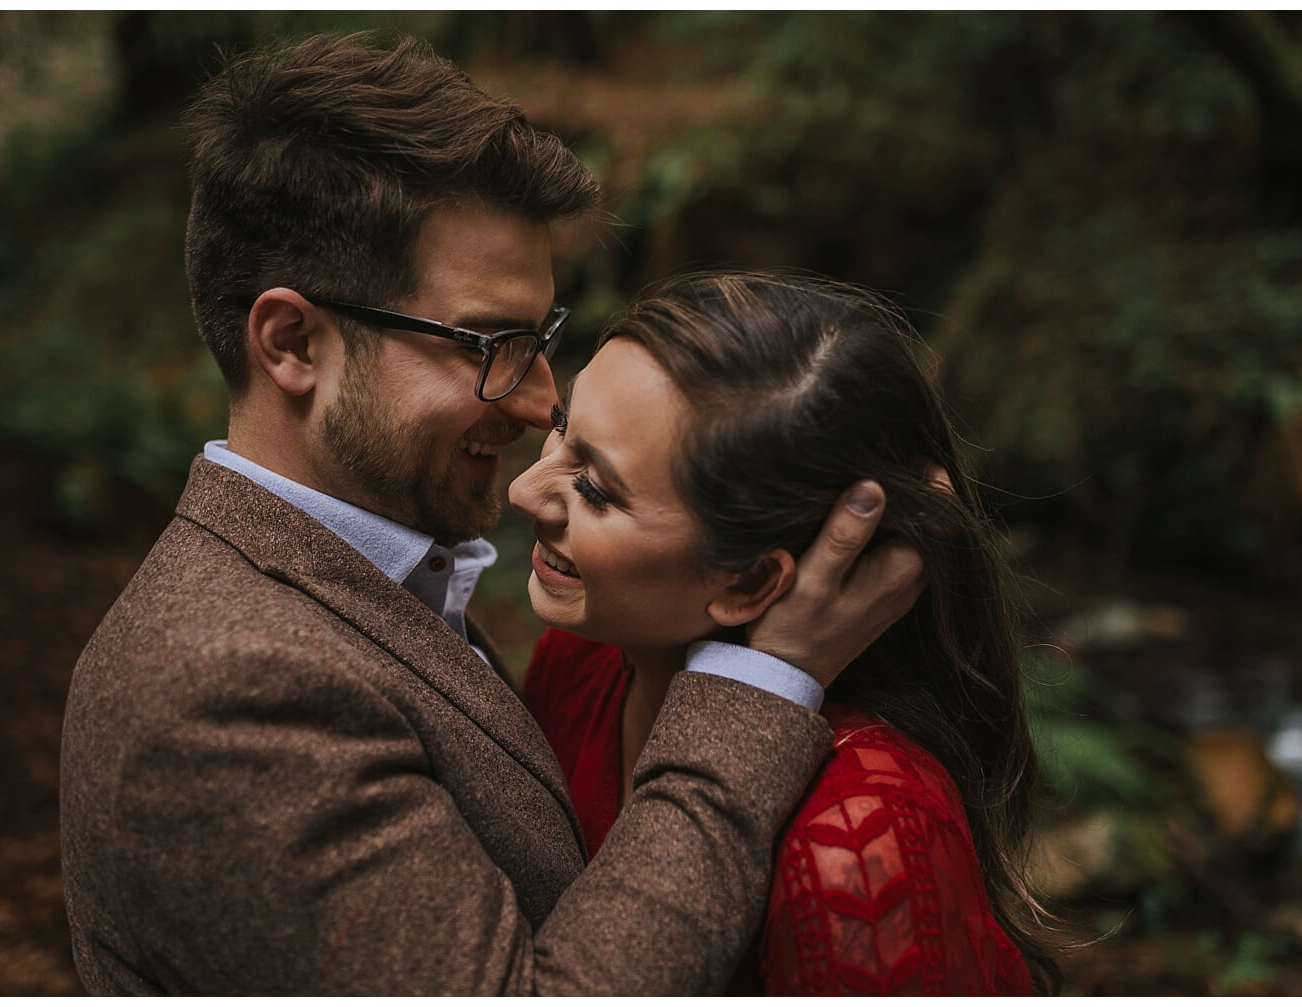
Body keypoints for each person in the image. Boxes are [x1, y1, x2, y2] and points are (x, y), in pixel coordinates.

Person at [58, 35, 928, 995]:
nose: (535, 400)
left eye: (540, 338)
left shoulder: (365, 577)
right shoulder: (228, 692)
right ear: (293, 343)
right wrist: (762, 684)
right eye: (488, 343)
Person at [511, 270, 1061, 995]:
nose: (524, 490)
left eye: (595, 489)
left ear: (747, 583)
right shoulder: (580, 663)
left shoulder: (863, 843)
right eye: (562, 429)